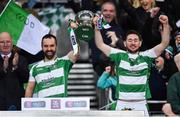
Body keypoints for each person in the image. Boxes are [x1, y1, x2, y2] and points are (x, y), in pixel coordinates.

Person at [93, 14, 170, 116]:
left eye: (135, 40)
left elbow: (164, 43)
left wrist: (165, 24)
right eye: (130, 40)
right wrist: (97, 27)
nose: (133, 43)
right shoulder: (119, 55)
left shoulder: (147, 56)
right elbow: (100, 44)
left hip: (141, 104)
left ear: (140, 43)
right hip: (121, 103)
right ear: (124, 43)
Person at [0, 32, 29, 110]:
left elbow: (26, 78)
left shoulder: (21, 59)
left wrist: (16, 66)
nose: (5, 44)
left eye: (8, 41)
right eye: (2, 42)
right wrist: (3, 69)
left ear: (12, 43)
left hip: (17, 105)